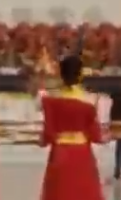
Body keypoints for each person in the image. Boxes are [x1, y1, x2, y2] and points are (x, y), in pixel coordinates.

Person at [39, 55, 105, 200]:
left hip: (60, 153)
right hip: (82, 154)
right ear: (80, 74)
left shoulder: (51, 100)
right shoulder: (90, 100)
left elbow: (48, 132)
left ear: (61, 75)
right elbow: (95, 135)